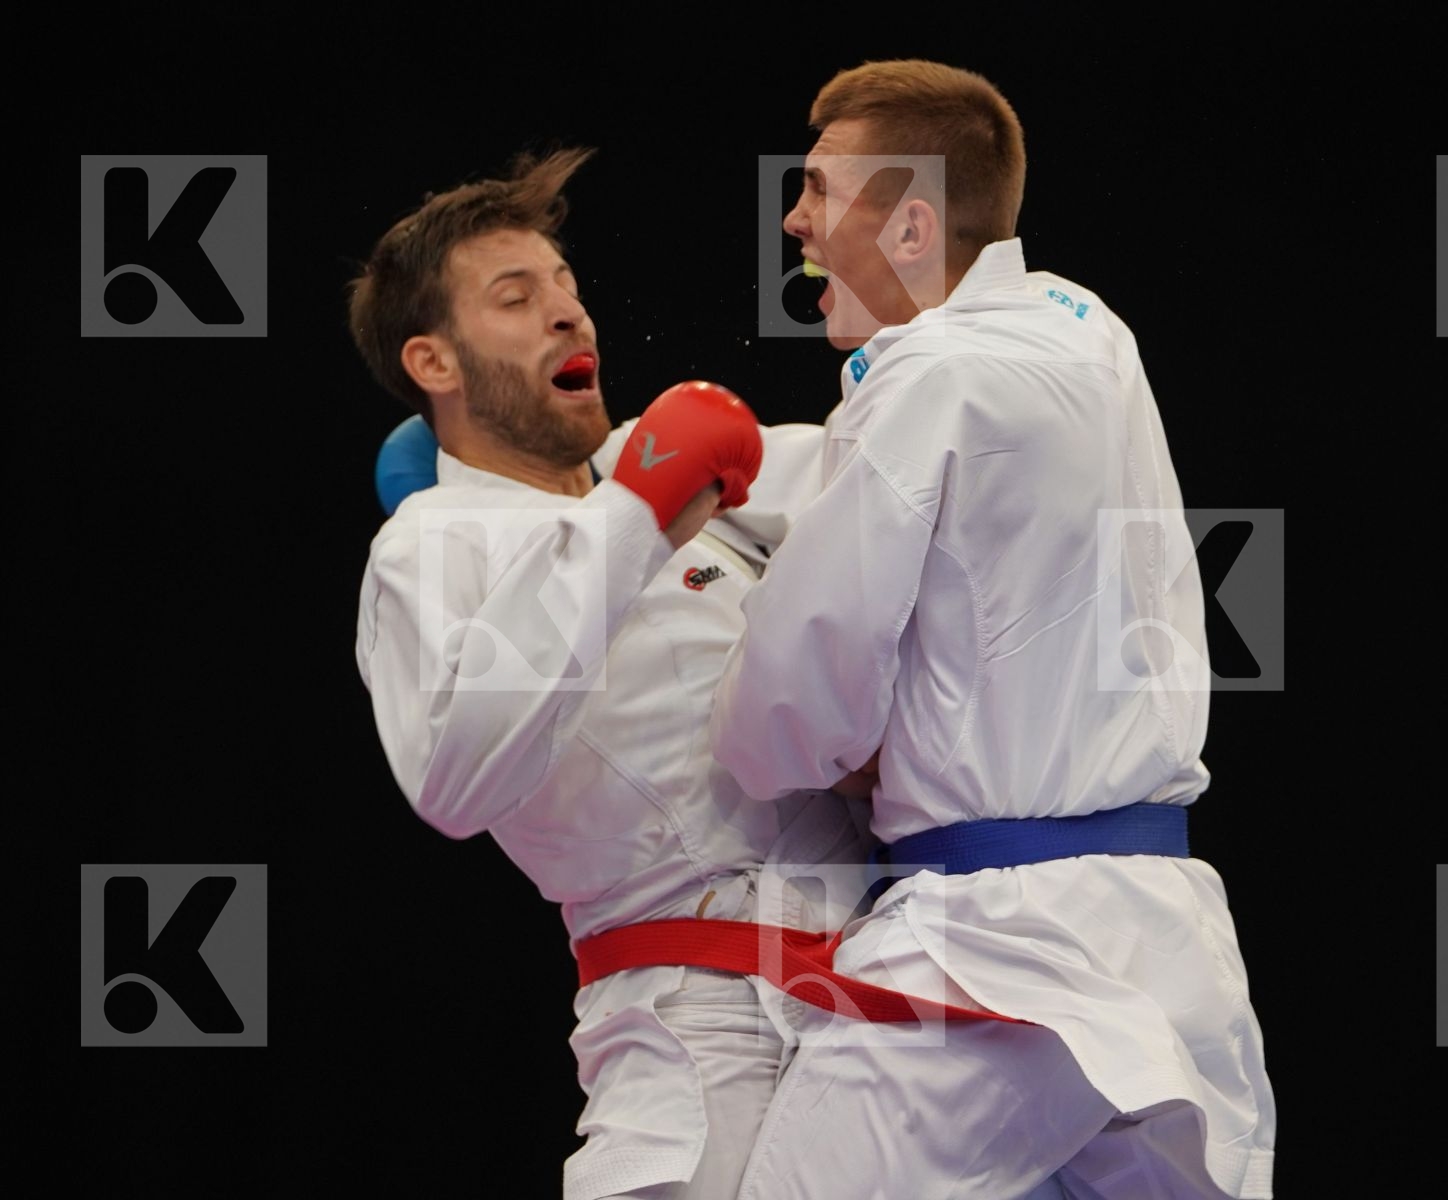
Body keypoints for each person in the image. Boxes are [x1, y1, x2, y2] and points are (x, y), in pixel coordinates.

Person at [708, 61, 1278, 1199]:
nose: (795, 219)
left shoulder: (928, 376)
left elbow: (784, 709)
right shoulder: (1087, 331)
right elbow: (923, 494)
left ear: (912, 223)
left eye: (819, 189)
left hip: (991, 951)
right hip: (1166, 948)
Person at [348, 148, 869, 1200]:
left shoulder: (693, 470)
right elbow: (453, 777)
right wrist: (631, 516)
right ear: (434, 364)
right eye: (516, 297)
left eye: (569, 289)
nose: (568, 315)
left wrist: (911, 346)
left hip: (879, 1002)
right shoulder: (435, 545)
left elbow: (891, 481)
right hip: (697, 1034)